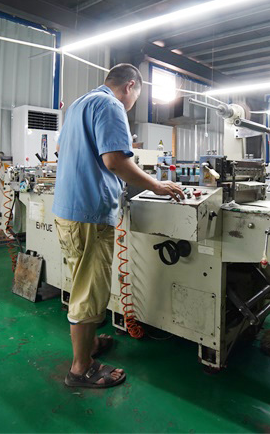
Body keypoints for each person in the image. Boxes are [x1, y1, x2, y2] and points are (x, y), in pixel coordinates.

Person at [52, 63, 185, 389]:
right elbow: (114, 161)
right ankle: (81, 368)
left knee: (81, 282)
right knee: (89, 291)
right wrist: (156, 185)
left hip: (68, 211)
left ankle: (89, 345)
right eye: (136, 97)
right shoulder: (111, 105)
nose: (132, 103)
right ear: (130, 86)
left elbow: (60, 150)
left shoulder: (80, 104)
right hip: (89, 214)